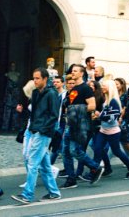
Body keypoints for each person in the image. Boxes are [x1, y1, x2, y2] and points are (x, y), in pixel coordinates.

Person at [11, 68, 61, 204]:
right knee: (43, 165)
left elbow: (54, 116)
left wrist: (41, 129)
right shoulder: (35, 92)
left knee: (32, 162)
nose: (35, 81)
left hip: (43, 132)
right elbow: (33, 114)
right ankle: (54, 192)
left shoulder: (51, 93)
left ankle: (27, 195)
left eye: (37, 78)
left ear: (45, 79)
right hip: (34, 130)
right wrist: (32, 128)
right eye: (34, 78)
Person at [61, 64, 103, 189]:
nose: (72, 73)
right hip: (71, 124)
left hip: (79, 125)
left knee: (75, 150)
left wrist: (76, 109)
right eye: (72, 71)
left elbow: (92, 105)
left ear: (81, 73)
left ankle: (95, 167)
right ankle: (71, 179)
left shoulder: (85, 88)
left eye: (75, 71)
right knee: (65, 152)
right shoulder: (74, 88)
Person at [93, 80, 129, 180]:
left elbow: (111, 118)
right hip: (103, 130)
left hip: (113, 131)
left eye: (104, 86)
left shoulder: (114, 101)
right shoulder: (107, 99)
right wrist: (100, 115)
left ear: (109, 87)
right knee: (97, 149)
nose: (102, 88)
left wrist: (99, 115)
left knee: (117, 151)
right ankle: (94, 172)